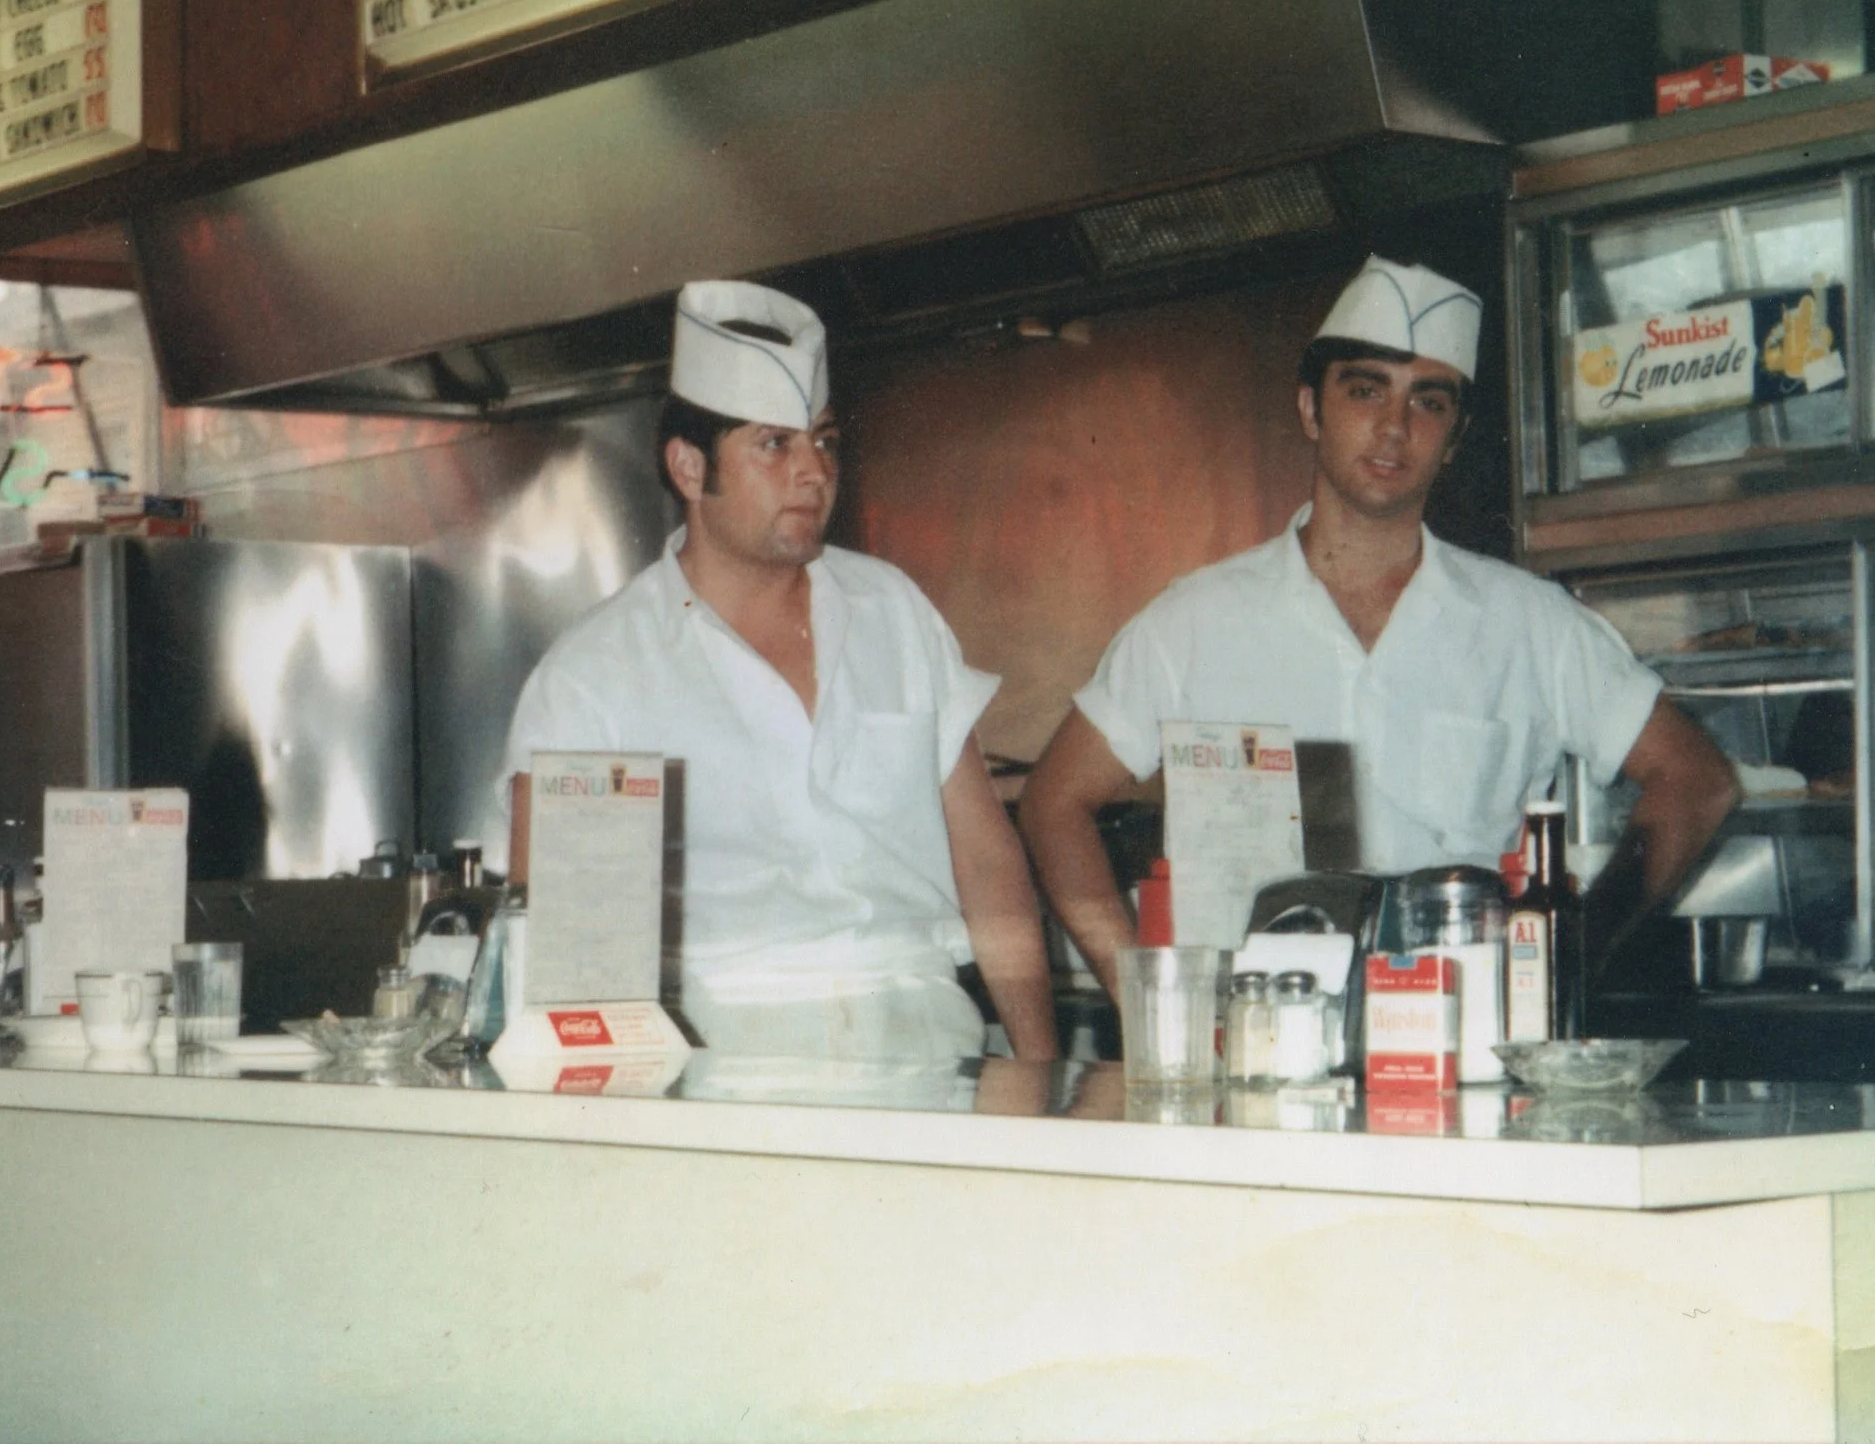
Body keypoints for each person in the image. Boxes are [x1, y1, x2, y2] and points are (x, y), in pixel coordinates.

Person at [1022, 256, 1738, 997]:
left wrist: (1573, 947)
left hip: (1460, 1057)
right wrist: (1146, 998)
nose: (1394, 426)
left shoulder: (1528, 622)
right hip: (1254, 1060)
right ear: (1310, 409)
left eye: (1428, 402)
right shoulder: (1195, 621)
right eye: (1365, 390)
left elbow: (1697, 779)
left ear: (1454, 436)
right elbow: (1055, 801)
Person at [505, 280, 1055, 1063]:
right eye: (775, 444)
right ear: (689, 468)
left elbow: (988, 857)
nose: (813, 473)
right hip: (728, 1066)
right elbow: (557, 948)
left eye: (824, 441)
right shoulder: (593, 677)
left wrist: (1040, 1067)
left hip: (930, 1048)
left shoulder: (892, 610)